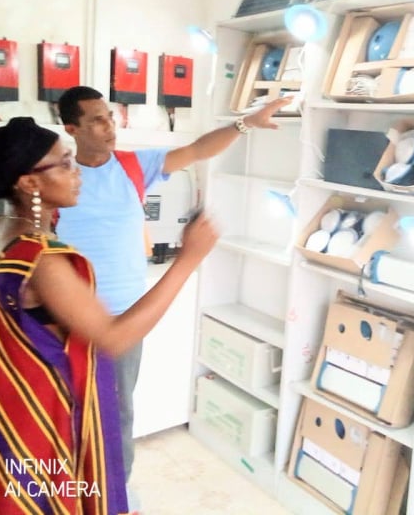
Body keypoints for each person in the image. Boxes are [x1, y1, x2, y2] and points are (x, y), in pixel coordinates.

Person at [0, 117, 218, 514]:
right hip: (43, 414)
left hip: (4, 402)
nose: (76, 172)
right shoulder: (41, 259)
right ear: (29, 183)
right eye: (64, 164)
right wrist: (188, 261)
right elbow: (114, 338)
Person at [54, 86, 291, 486]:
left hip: (126, 317)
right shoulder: (59, 179)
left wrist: (245, 124)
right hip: (67, 316)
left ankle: (115, 493)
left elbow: (198, 150)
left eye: (110, 117)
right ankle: (66, 489)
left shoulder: (133, 166)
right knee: (63, 409)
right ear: (71, 129)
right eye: (96, 120)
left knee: (117, 411)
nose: (109, 126)